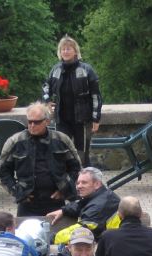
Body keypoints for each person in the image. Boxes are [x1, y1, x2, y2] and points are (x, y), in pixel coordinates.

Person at [0, 101, 82, 217]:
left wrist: (65, 189)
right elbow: (2, 173)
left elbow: (76, 168)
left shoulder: (61, 140)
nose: (32, 125)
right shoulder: (15, 142)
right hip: (27, 203)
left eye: (36, 122)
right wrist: (17, 192)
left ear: (47, 121)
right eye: (29, 122)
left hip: (55, 201)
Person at [42, 34, 102, 166]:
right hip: (62, 119)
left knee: (82, 154)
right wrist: (47, 101)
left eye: (69, 49)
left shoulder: (86, 70)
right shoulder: (56, 70)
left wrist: (96, 118)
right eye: (63, 49)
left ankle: (84, 177)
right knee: (61, 152)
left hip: (82, 119)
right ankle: (65, 178)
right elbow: (46, 86)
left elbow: (96, 95)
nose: (65, 51)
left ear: (75, 51)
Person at [47, 167, 121, 243]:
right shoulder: (100, 195)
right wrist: (63, 211)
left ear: (97, 184)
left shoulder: (100, 205)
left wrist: (53, 238)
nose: (79, 186)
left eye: (84, 182)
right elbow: (80, 205)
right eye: (78, 183)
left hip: (113, 245)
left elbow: (80, 232)